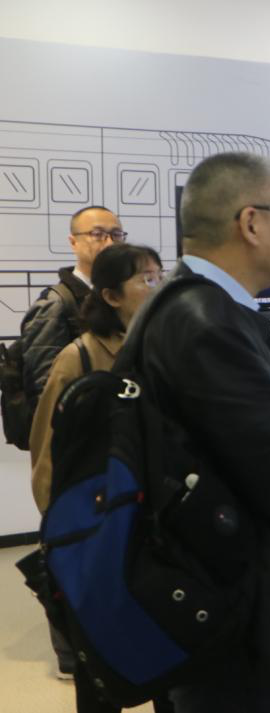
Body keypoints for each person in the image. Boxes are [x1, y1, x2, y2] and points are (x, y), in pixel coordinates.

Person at [143, 152, 270, 713]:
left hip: (206, 584)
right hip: (229, 601)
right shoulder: (207, 321)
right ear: (251, 222)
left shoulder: (186, 304)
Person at [27, 243, 171, 713]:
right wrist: (68, 536)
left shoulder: (165, 349)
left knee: (170, 658)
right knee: (101, 671)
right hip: (101, 533)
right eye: (145, 279)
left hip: (158, 531)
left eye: (160, 275)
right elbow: (47, 456)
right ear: (110, 296)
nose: (158, 286)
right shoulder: (79, 358)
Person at [20, 206, 125, 408]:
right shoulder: (55, 303)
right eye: (97, 234)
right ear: (73, 242)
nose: (110, 243)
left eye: (116, 234)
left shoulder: (121, 297)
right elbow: (45, 391)